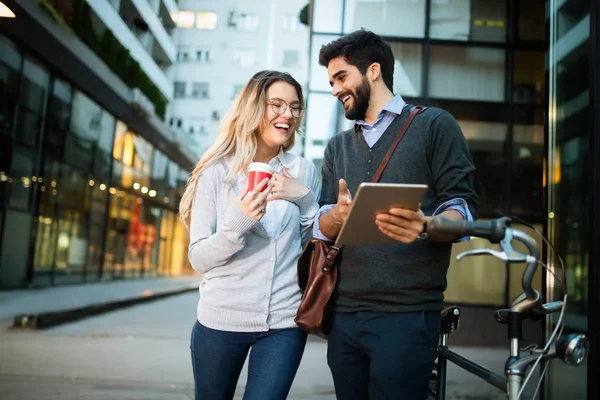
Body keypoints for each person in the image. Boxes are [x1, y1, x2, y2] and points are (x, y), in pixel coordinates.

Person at [314, 30, 479, 399]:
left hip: (407, 315)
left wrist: (428, 225)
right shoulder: (337, 146)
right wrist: (336, 218)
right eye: (330, 81)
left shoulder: (435, 125)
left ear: (373, 70)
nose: (335, 89)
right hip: (344, 315)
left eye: (341, 77)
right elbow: (322, 225)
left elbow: (461, 206)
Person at [179, 70, 321, 400]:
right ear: (254, 107)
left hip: (284, 323)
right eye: (277, 104)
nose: (288, 114)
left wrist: (305, 200)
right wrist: (236, 225)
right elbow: (199, 258)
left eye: (295, 107)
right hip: (221, 320)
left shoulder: (303, 170)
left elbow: (312, 247)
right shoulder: (217, 171)